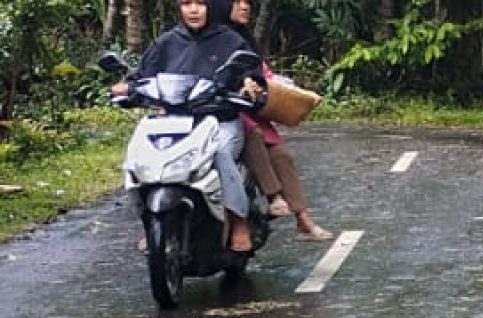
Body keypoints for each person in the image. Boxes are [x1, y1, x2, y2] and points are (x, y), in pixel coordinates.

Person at [114, 0, 261, 252]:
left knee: (220, 154)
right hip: (174, 121)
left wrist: (249, 86)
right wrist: (126, 87)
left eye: (200, 4)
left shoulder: (230, 41)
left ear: (212, 7)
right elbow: (141, 77)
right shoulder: (166, 43)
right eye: (186, 3)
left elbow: (252, 74)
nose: (193, 10)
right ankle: (151, 222)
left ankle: (239, 222)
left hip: (219, 121)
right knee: (138, 158)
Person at [228, 0, 333, 241]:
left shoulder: (241, 38)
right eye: (236, 2)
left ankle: (303, 218)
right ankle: (274, 196)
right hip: (222, 112)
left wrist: (263, 85)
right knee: (251, 134)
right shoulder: (208, 37)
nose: (245, 7)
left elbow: (258, 70)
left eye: (246, 2)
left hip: (246, 107)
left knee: (281, 153)